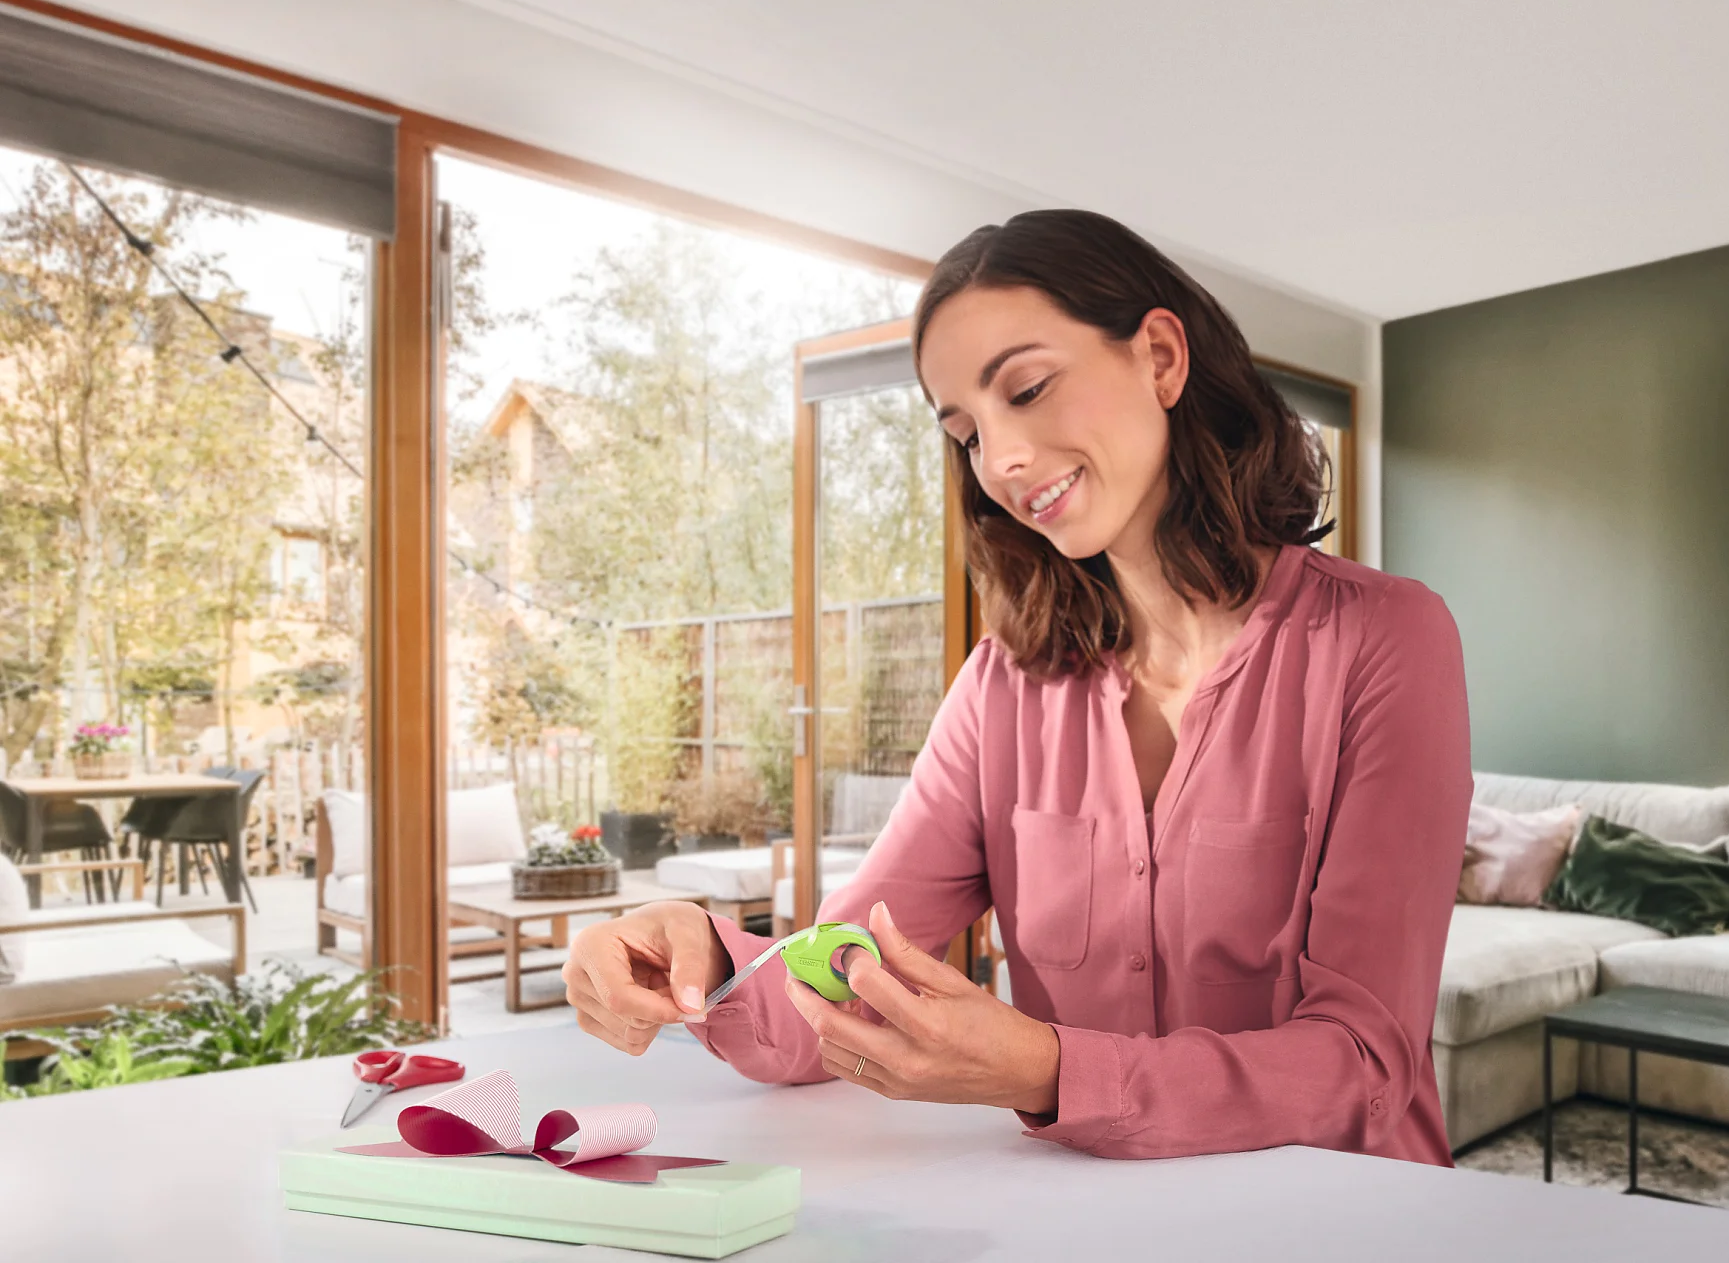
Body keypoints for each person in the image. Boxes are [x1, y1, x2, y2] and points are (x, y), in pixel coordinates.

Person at [564, 209, 1472, 1164]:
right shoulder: (1005, 686)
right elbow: (842, 977)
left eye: (1028, 389)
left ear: (1161, 357)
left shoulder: (1385, 639)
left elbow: (1365, 1063)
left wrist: (1046, 1068)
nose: (998, 461)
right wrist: (703, 957)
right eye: (965, 432)